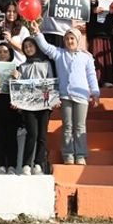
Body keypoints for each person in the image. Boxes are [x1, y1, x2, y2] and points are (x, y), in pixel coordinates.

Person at [30, 21, 99, 165]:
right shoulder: (60, 54)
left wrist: (95, 93)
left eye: (72, 38)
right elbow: (47, 48)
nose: (69, 41)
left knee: (80, 126)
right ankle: (68, 154)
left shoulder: (86, 57)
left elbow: (91, 75)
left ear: (78, 40)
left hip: (82, 96)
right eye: (67, 39)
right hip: (65, 96)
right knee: (67, 126)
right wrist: (37, 33)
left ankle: (80, 155)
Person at [14, 35, 54, 175]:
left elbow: (50, 83)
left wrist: (51, 101)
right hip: (28, 106)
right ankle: (26, 164)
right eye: (26, 47)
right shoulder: (22, 67)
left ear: (36, 47)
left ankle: (38, 164)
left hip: (44, 105)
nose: (28, 49)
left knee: (42, 135)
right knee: (32, 133)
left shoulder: (46, 64)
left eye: (31, 46)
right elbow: (19, 86)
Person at [0, 41, 23, 174]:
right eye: (0, 52)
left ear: (10, 53)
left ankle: (12, 165)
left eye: (5, 51)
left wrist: (17, 79)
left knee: (11, 138)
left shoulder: (17, 69)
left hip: (12, 108)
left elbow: (22, 90)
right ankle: (1, 165)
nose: (2, 54)